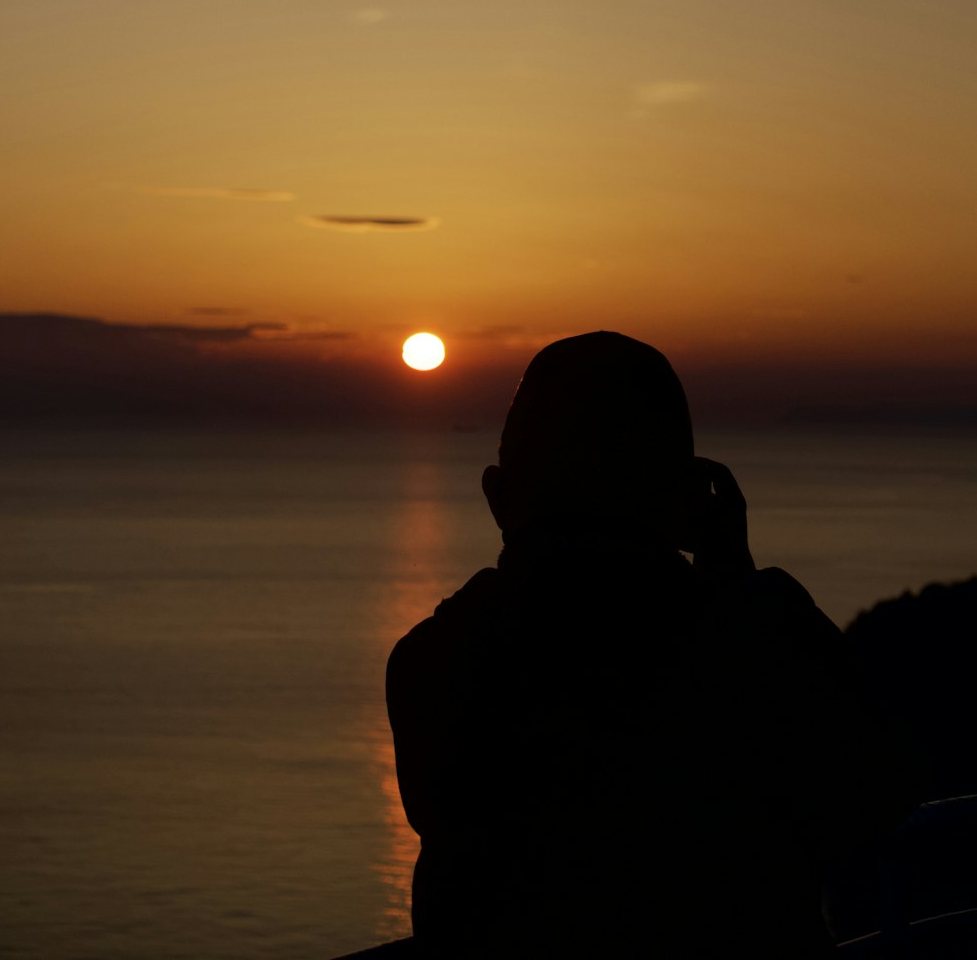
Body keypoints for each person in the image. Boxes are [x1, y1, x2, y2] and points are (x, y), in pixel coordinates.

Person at [386, 333, 924, 958]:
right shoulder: (751, 639)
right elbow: (883, 790)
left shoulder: (431, 663)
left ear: (497, 497)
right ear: (690, 500)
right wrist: (742, 585)